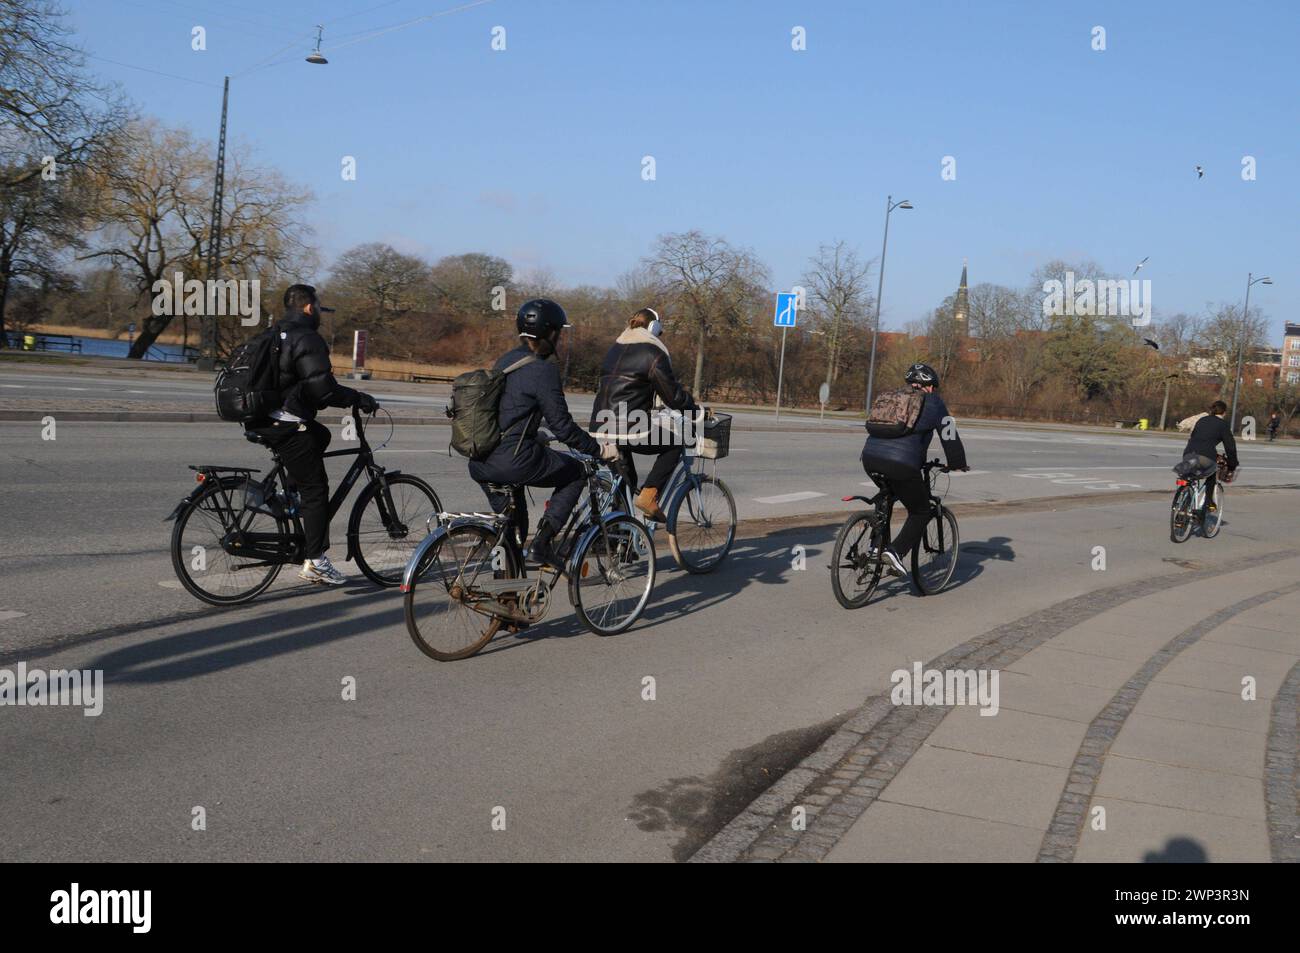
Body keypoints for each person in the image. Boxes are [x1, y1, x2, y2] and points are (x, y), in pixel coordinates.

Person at [470, 298, 620, 567]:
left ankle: (506, 596)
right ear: (551, 333)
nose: (560, 339)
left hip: (481, 459)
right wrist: (599, 449)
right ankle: (542, 545)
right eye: (559, 333)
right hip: (512, 460)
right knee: (577, 472)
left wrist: (534, 434)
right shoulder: (543, 369)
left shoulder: (507, 359)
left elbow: (513, 407)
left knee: (512, 531)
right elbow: (562, 426)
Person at [246, 284, 379, 586]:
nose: (319, 312)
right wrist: (358, 398)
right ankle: (316, 560)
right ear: (309, 307)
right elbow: (323, 387)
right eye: (318, 306)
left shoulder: (273, 333)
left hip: (262, 418)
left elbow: (301, 383)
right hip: (287, 422)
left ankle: (289, 493)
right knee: (317, 490)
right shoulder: (306, 337)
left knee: (320, 435)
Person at [590, 307, 700, 520]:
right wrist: (695, 411)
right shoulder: (652, 352)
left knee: (624, 482)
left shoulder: (615, 347)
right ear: (654, 327)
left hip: (600, 426)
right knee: (676, 443)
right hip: (629, 426)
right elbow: (673, 396)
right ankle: (649, 496)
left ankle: (617, 542)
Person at [860, 363, 968, 580]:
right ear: (929, 387)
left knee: (887, 499)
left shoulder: (892, 397)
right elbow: (949, 435)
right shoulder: (934, 403)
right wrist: (957, 462)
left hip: (869, 458)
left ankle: (874, 548)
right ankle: (895, 552)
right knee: (921, 510)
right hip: (902, 464)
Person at [1179, 400, 1238, 516]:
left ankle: (1183, 506)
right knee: (1211, 474)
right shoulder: (1223, 425)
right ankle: (1208, 502)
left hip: (1188, 453)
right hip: (1206, 455)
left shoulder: (1201, 420)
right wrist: (1232, 464)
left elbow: (1197, 438)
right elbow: (1230, 447)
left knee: (1189, 478)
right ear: (1224, 413)